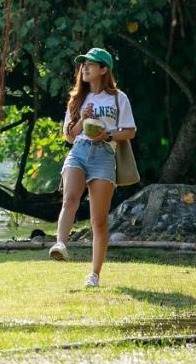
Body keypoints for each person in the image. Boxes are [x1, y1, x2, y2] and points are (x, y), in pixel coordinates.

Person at [49, 47, 136, 288]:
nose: (85, 67)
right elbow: (69, 136)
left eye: (91, 63)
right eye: (83, 64)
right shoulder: (78, 98)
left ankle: (94, 275)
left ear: (104, 69)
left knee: (98, 221)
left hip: (104, 156)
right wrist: (81, 119)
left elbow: (130, 130)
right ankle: (61, 244)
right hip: (79, 151)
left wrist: (107, 135)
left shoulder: (119, 98)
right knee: (70, 200)